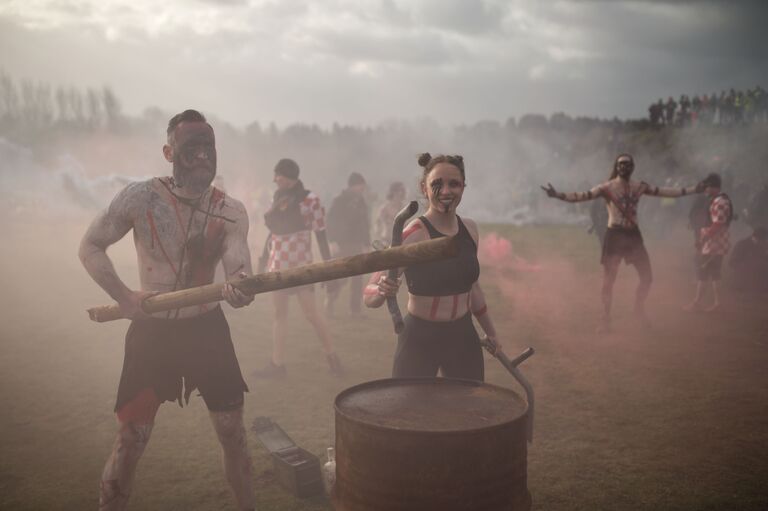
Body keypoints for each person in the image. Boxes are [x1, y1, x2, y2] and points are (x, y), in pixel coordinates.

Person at [78, 110, 256, 511]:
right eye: (190, 148)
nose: (201, 157)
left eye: (208, 149)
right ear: (168, 151)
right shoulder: (141, 198)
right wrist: (125, 297)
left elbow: (238, 263)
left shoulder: (230, 211)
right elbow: (89, 247)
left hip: (207, 329)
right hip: (151, 333)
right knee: (131, 438)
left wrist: (240, 285)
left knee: (232, 431)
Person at [363, 153, 502, 381]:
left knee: (468, 409)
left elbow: (473, 288)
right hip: (420, 338)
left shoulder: (470, 229)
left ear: (463, 188)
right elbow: (368, 294)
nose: (446, 191)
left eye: (454, 184)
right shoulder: (412, 235)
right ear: (424, 188)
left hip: (463, 337)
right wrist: (381, 290)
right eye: (437, 184)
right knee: (410, 410)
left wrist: (491, 332)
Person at [541, 153, 704, 332]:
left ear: (632, 167)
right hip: (615, 235)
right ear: (616, 167)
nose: (624, 167)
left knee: (647, 278)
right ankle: (605, 318)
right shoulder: (607, 187)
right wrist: (557, 195)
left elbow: (666, 191)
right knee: (609, 280)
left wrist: (693, 189)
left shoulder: (639, 186)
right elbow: (582, 196)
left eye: (627, 164)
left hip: (633, 235)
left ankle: (638, 309)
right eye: (621, 164)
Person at [255, 158, 342, 377]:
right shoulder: (278, 197)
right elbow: (273, 231)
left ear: (290, 176)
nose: (275, 179)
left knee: (311, 314)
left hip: (300, 263)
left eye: (279, 175)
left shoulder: (310, 199)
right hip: (278, 263)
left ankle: (332, 356)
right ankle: (277, 364)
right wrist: (263, 259)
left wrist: (329, 269)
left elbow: (321, 234)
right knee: (279, 313)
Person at [685, 174, 734, 311]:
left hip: (714, 242)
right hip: (714, 241)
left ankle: (697, 303)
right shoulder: (718, 200)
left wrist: (703, 239)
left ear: (714, 187)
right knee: (714, 273)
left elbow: (718, 224)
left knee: (704, 272)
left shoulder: (720, 202)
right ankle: (716, 303)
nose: (705, 189)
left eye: (707, 187)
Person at [325, 172, 371, 317]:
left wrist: (366, 243)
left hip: (356, 243)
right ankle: (330, 301)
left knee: (357, 280)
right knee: (341, 277)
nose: (362, 188)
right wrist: (332, 241)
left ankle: (355, 310)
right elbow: (330, 221)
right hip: (342, 243)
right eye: (360, 185)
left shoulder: (361, 201)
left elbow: (364, 223)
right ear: (353, 185)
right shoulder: (339, 200)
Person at [729, 227, 768, 297]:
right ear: (755, 237)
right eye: (762, 240)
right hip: (744, 275)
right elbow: (733, 262)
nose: (763, 242)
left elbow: (763, 259)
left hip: (758, 275)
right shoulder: (742, 244)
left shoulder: (762, 245)